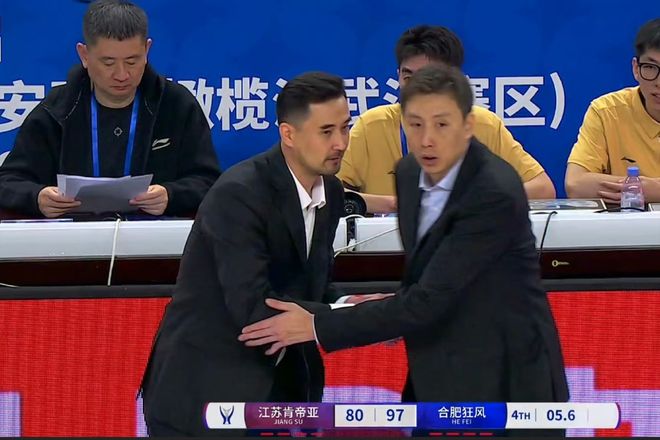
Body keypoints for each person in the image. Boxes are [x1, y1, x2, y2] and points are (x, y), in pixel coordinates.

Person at [239, 65, 569, 436]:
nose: (427, 140)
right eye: (415, 124)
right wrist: (360, 307)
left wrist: (317, 324)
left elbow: (428, 299)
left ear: (467, 125)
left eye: (441, 125)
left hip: (508, 383)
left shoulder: (493, 192)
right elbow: (420, 281)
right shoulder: (410, 174)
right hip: (435, 376)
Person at [140, 72, 390, 436]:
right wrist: (356, 317)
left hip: (282, 393)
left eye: (345, 128)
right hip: (207, 394)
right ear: (288, 134)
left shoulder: (332, 192)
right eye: (326, 131)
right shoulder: (239, 194)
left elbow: (311, 287)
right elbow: (254, 310)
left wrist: (349, 302)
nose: (340, 143)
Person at [0, 0, 220, 218]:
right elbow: (7, 182)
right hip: (74, 237)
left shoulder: (176, 105)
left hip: (153, 236)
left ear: (147, 50)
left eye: (132, 61)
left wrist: (171, 195)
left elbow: (209, 182)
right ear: (84, 55)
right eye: (108, 63)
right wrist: (37, 198)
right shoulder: (57, 110)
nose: (122, 75)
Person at [338, 25, 555, 213]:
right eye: (407, 77)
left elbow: (542, 189)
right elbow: (328, 194)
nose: (415, 88)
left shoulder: (483, 124)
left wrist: (471, 202)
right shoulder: (372, 126)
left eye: (426, 77)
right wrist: (394, 204)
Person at [565, 18, 660, 203]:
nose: (658, 82)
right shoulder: (606, 111)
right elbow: (575, 184)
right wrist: (637, 188)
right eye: (650, 67)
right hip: (629, 220)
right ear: (636, 68)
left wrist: (655, 190)